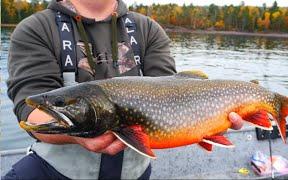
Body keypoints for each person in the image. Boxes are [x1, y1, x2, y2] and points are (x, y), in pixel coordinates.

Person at [4, 0, 244, 179]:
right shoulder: (36, 29)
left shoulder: (148, 29)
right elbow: (29, 111)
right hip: (55, 172)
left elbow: (172, 92)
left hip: (135, 173)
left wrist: (207, 122)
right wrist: (76, 135)